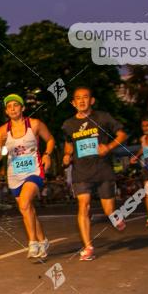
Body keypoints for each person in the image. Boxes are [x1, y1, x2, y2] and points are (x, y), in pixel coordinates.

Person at [62, 87, 128, 261]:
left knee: (109, 211)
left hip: (103, 170)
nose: (82, 101)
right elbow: (69, 143)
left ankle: (115, 217)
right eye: (78, 98)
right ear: (73, 103)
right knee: (84, 205)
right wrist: (67, 155)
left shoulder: (103, 117)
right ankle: (88, 247)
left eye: (85, 97)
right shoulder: (68, 124)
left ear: (92, 100)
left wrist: (109, 147)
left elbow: (122, 135)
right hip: (81, 172)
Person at [0, 94, 56, 259]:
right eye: (9, 106)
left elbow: (50, 140)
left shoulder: (34, 124)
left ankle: (32, 242)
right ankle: (43, 240)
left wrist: (47, 154)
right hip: (14, 175)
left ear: (22, 108)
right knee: (28, 210)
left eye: (16, 105)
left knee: (25, 203)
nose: (13, 108)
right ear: (6, 111)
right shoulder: (2, 130)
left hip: (34, 170)